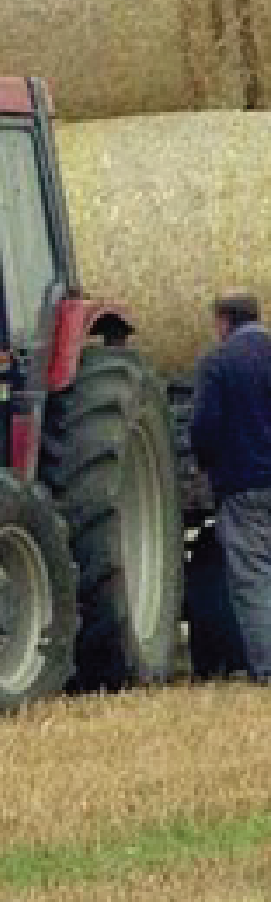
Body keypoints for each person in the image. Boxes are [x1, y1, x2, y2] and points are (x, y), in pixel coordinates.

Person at [189, 290, 271, 682]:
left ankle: (268, 669)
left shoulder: (219, 363)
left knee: (254, 577)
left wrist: (206, 466)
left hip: (244, 485)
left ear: (223, 321)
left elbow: (205, 427)